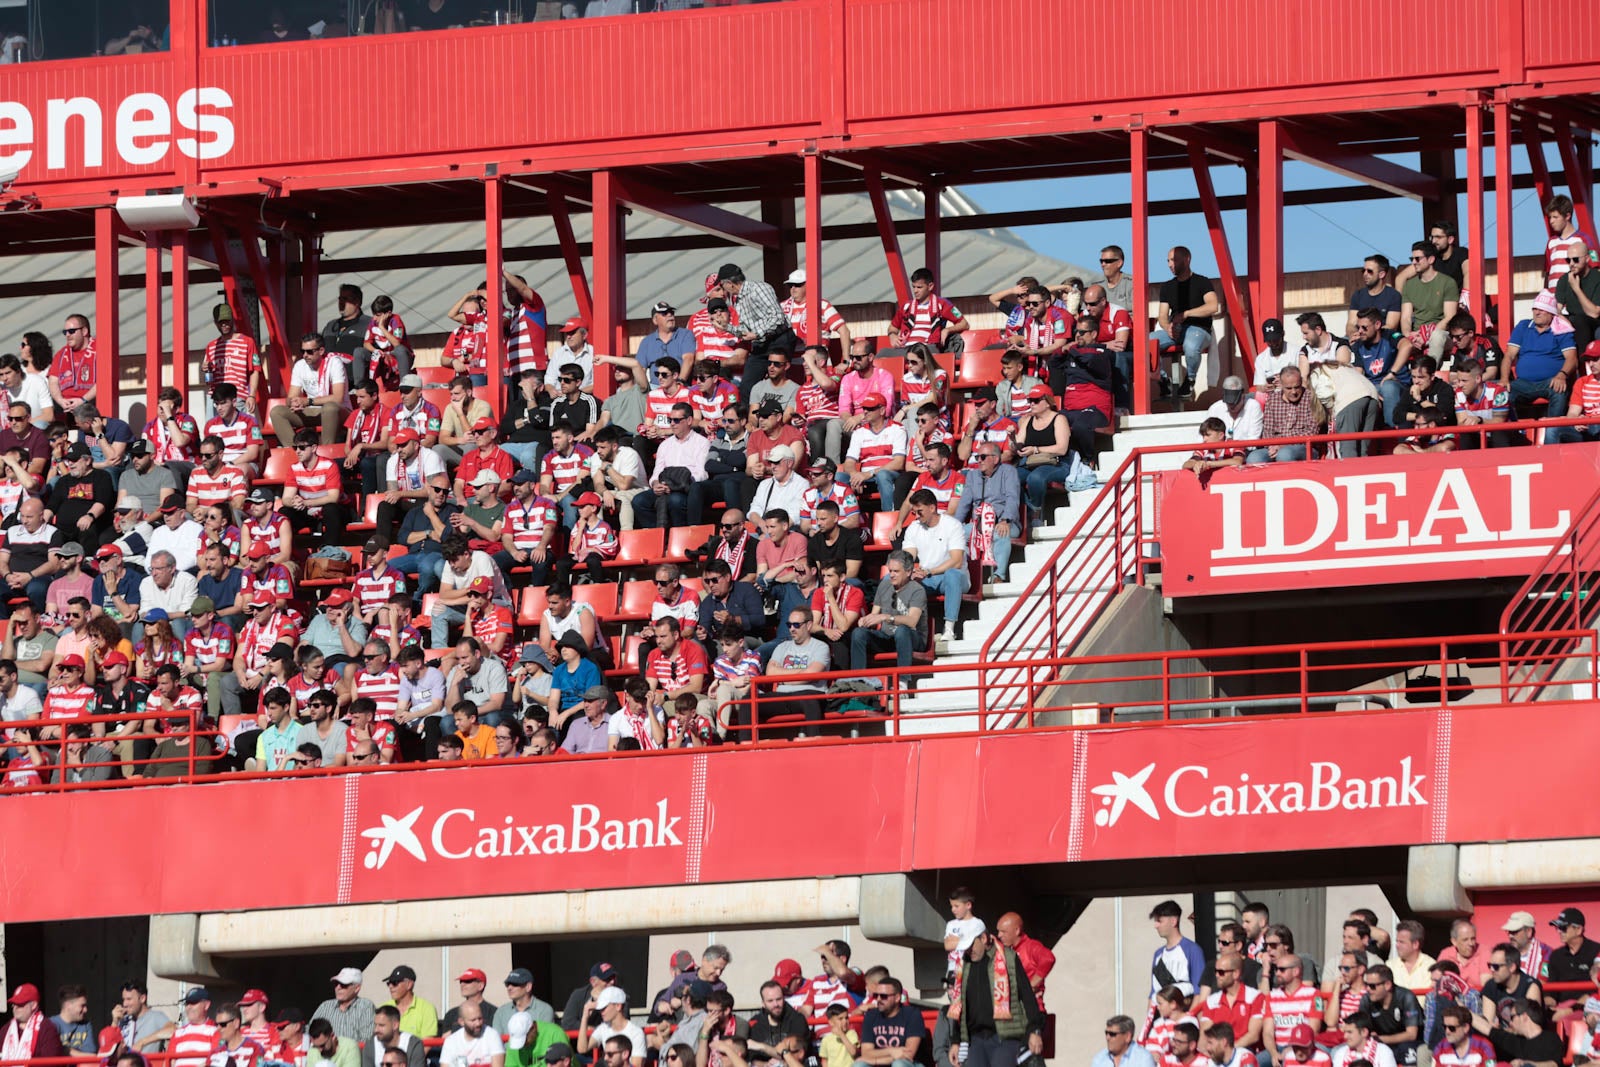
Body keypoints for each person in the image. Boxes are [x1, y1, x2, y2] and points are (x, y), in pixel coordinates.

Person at [949, 930, 1041, 1067]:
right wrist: (956, 1041)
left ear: (984, 938)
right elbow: (958, 1005)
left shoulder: (1007, 958)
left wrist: (1034, 1030)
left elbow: (1027, 995)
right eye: (965, 947)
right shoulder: (963, 965)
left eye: (971, 945)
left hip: (1005, 1037)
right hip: (976, 1039)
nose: (969, 950)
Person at [1505, 289, 1578, 443]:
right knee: (1502, 394)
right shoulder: (1523, 326)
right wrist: (1504, 379)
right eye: (1535, 308)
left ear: (1551, 313)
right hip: (1523, 383)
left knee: (1559, 390)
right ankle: (1513, 436)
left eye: (1542, 310)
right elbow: (1509, 355)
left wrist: (1562, 375)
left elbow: (1571, 358)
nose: (1537, 312)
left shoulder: (1561, 329)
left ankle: (1551, 435)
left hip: (1550, 381)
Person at [1151, 246, 1219, 398]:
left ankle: (1190, 380)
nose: (1170, 264)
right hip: (1176, 330)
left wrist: (1186, 314)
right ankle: (1163, 380)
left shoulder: (1202, 282)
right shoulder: (1167, 286)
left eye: (1174, 260)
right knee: (1147, 342)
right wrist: (1167, 327)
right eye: (1168, 260)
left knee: (1191, 344)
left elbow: (1213, 306)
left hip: (1199, 330)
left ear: (1187, 259)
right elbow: (1162, 314)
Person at [901, 489, 968, 642]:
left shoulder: (953, 525)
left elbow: (956, 561)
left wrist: (930, 571)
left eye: (920, 512)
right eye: (914, 513)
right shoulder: (913, 527)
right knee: (895, 577)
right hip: (928, 577)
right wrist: (910, 572)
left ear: (932, 508)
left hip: (953, 578)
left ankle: (949, 629)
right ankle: (902, 630)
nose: (917, 517)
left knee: (952, 574)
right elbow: (907, 557)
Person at [855, 978, 924, 1067]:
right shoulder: (871, 1015)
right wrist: (891, 1051)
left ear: (897, 998)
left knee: (898, 1064)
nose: (878, 999)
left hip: (911, 1064)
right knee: (859, 1065)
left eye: (884, 996)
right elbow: (866, 1053)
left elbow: (908, 1055)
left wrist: (875, 1060)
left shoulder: (912, 1014)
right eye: (876, 995)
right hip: (883, 1062)